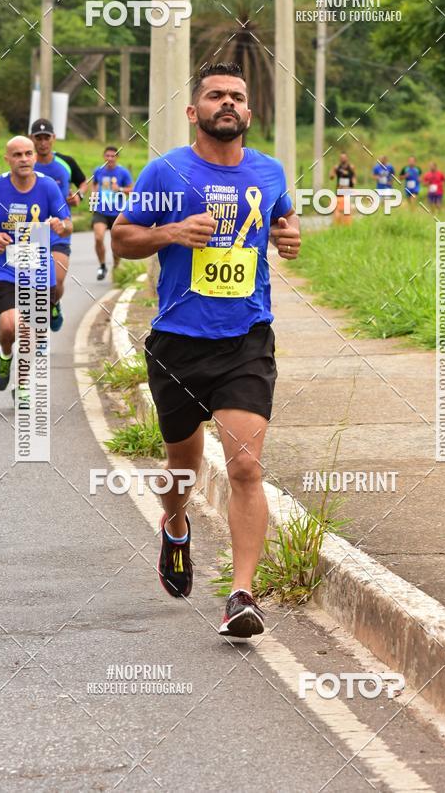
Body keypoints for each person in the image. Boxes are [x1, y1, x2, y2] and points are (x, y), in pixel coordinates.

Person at [112, 62, 301, 639]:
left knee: (245, 465)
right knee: (182, 467)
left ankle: (242, 594)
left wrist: (290, 236)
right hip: (177, 342)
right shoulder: (166, 170)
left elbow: (283, 222)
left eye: (237, 97)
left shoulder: (268, 172)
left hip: (245, 339)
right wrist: (170, 233)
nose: (228, 103)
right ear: (194, 112)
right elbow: (123, 236)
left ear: (248, 112)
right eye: (215, 95)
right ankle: (174, 525)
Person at [0, 136, 72, 393]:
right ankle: (4, 355)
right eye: (17, 155)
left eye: (28, 153)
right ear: (7, 159)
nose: (24, 159)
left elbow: (68, 224)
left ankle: (22, 383)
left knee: (28, 329)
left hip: (37, 266)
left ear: (35, 156)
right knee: (10, 325)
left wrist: (61, 225)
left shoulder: (48, 187)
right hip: (5, 266)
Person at [30, 119, 76, 331]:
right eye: (38, 138)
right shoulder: (25, 166)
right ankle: (37, 335)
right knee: (32, 292)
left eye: (46, 137)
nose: (42, 142)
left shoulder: (64, 164)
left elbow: (82, 182)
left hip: (59, 230)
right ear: (32, 140)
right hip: (30, 234)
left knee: (55, 284)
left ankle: (54, 303)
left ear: (53, 139)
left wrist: (79, 195)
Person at [91, 146, 133, 280]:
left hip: (117, 212)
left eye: (113, 156)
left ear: (117, 157)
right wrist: (94, 199)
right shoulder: (98, 171)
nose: (110, 158)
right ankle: (102, 266)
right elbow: (95, 185)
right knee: (98, 237)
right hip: (101, 210)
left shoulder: (123, 172)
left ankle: (116, 266)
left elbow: (132, 190)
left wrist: (119, 189)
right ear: (104, 157)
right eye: (107, 156)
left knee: (116, 243)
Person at [329, 152, 356, 226]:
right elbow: (331, 177)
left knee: (347, 209)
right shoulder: (337, 167)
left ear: (347, 158)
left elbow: (354, 177)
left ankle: (348, 223)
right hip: (339, 191)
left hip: (348, 190)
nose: (343, 159)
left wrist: (352, 184)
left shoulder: (351, 167)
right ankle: (337, 223)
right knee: (338, 209)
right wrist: (332, 172)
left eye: (344, 157)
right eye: (341, 157)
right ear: (340, 159)